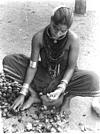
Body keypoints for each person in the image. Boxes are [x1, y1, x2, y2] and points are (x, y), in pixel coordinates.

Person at [2, 7, 100, 115]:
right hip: (44, 74)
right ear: (51, 21)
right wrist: (23, 93)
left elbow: (71, 68)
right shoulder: (38, 38)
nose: (57, 34)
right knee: (9, 61)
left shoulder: (73, 40)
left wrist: (61, 88)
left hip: (66, 77)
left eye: (63, 31)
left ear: (68, 29)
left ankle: (66, 98)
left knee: (93, 79)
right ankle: (34, 94)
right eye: (55, 28)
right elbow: (32, 66)